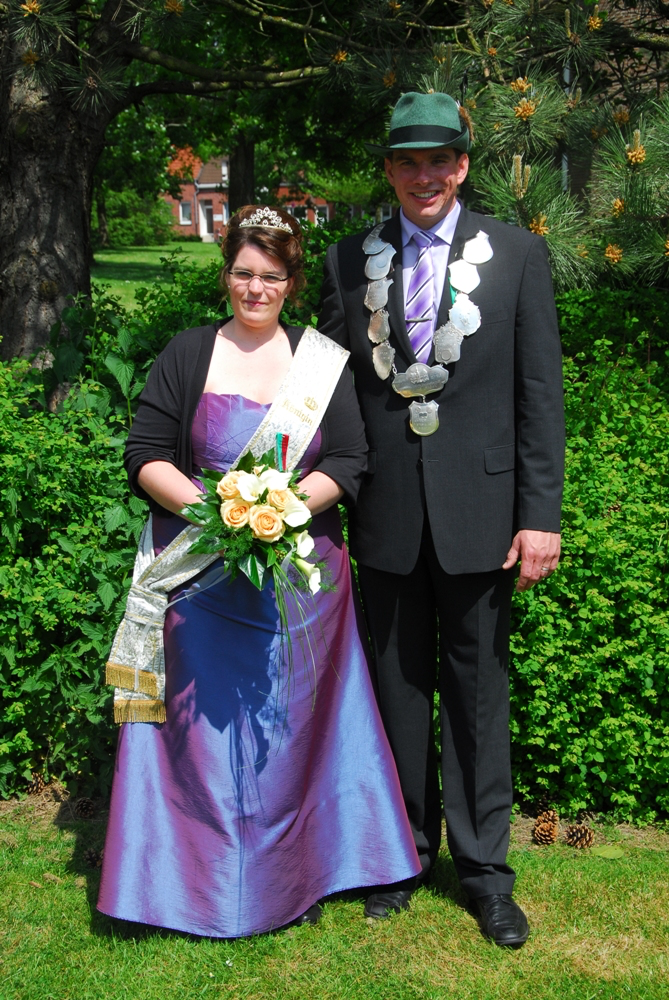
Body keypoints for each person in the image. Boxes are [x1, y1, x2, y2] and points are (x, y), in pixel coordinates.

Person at [97, 204, 421, 938]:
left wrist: (279, 508)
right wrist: (220, 514)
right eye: (243, 272)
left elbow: (347, 458)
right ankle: (181, 880)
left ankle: (301, 871)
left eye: (271, 276)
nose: (255, 288)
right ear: (227, 276)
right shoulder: (186, 352)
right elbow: (145, 451)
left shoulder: (318, 362)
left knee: (291, 731)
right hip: (202, 581)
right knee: (200, 733)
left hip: (300, 583)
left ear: (290, 281)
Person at [318, 92, 565, 947]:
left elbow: (540, 398)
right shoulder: (347, 260)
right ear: (388, 169)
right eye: (405, 161)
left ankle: (486, 873)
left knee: (474, 698)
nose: (423, 175)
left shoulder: (519, 255)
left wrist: (540, 516)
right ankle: (400, 857)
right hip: (384, 513)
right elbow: (330, 395)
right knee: (394, 696)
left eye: (439, 160)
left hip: (483, 517)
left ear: (463, 164)